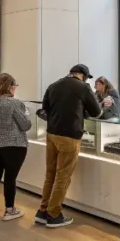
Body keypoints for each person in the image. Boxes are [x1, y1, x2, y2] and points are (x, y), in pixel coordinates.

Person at [36, 64, 102, 228]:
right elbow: (96, 112)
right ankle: (54, 214)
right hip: (70, 136)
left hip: (51, 134)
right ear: (84, 76)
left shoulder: (53, 85)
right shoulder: (83, 87)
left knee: (50, 173)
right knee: (63, 176)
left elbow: (45, 110)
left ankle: (43, 211)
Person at [0, 73, 31, 222]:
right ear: (10, 86)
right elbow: (26, 125)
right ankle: (10, 210)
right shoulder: (14, 103)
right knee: (10, 178)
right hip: (14, 145)